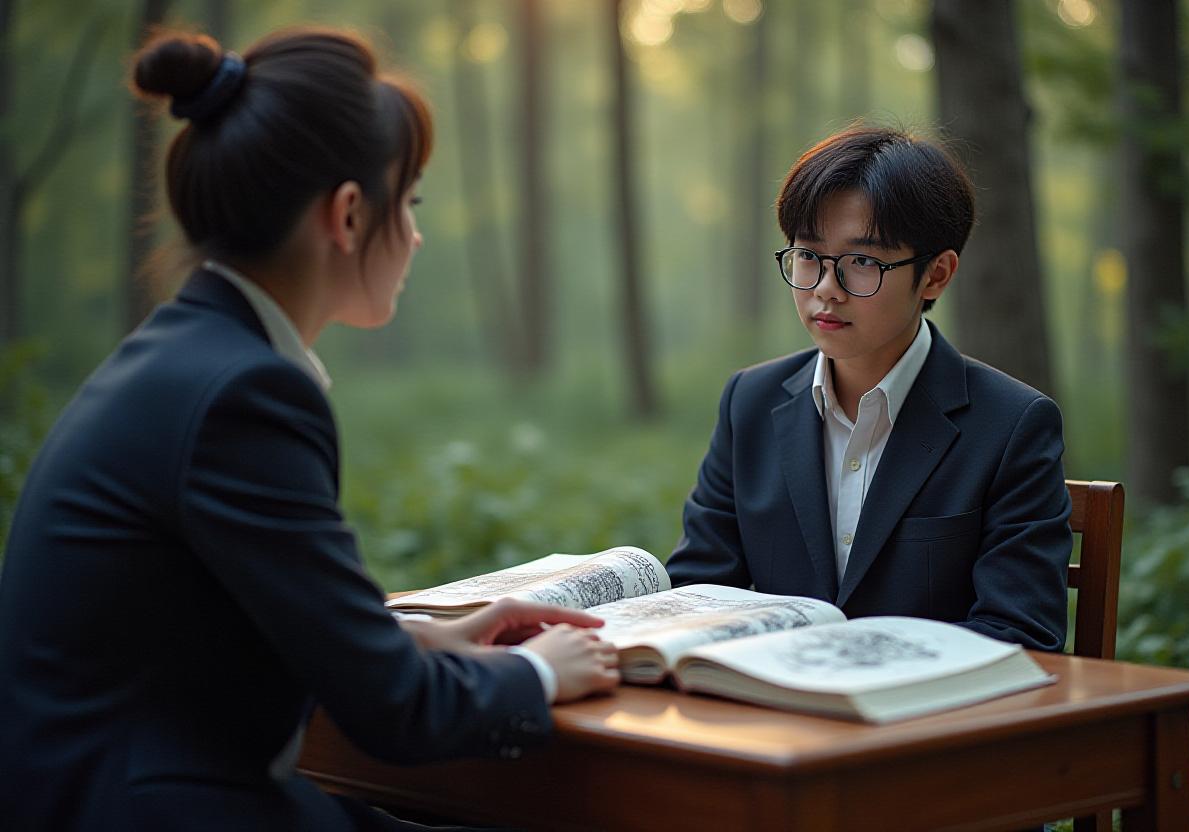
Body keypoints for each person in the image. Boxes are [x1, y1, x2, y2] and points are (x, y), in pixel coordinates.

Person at [0, 27, 618, 832]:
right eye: (412, 202)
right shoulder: (243, 394)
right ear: (351, 215)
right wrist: (539, 675)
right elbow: (392, 710)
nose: (418, 234)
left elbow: (259, 619)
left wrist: (435, 642)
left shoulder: (189, 354)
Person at [665, 125, 1072, 652]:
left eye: (862, 262)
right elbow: (697, 591)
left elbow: (1021, 633)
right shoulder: (750, 401)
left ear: (936, 275)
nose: (824, 291)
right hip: (772, 721)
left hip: (926, 724)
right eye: (808, 256)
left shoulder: (1011, 425)